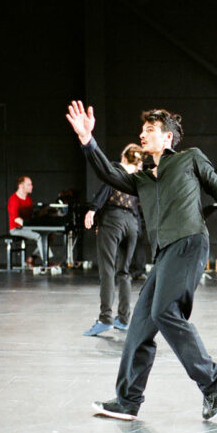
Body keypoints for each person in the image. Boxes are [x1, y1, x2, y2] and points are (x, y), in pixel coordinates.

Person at [65, 101, 217, 422]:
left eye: (149, 131)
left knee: (165, 312)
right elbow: (106, 171)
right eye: (143, 130)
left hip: (189, 242)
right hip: (164, 255)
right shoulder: (143, 179)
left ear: (168, 138)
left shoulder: (191, 158)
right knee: (140, 326)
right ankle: (128, 400)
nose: (142, 135)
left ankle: (214, 379)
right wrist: (86, 140)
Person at [83, 143, 144, 336]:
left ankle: (105, 318)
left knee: (107, 270)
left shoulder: (116, 171)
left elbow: (106, 190)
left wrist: (93, 210)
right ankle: (124, 319)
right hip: (133, 224)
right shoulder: (138, 179)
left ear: (124, 157)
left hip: (113, 221)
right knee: (124, 272)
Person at [7, 176, 50, 266]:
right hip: (16, 229)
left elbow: (31, 217)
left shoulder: (28, 199)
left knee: (47, 235)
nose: (32, 186)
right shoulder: (13, 199)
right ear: (21, 186)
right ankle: (46, 262)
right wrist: (30, 226)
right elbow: (17, 219)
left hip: (26, 227)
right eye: (29, 184)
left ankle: (31, 258)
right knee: (39, 236)